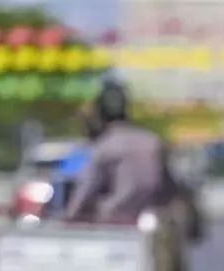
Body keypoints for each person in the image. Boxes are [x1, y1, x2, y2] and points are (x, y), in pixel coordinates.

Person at [65, 82, 177, 223]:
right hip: (147, 222)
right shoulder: (152, 142)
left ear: (100, 113)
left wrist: (69, 217)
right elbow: (170, 190)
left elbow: (84, 193)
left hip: (111, 223)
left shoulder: (104, 147)